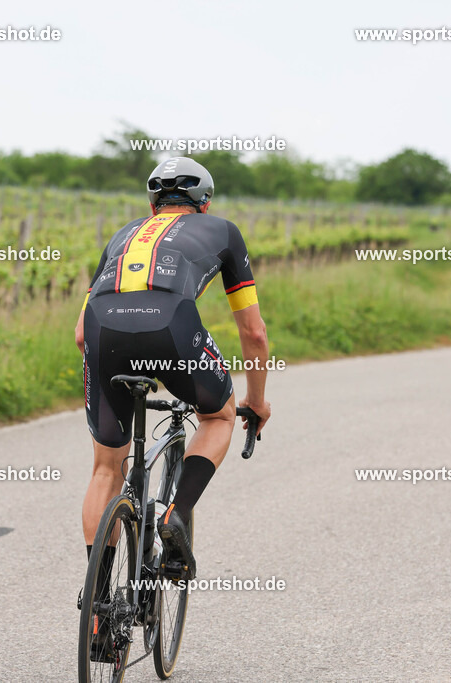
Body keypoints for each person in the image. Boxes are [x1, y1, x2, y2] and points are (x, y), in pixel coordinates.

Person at [75, 157, 272, 585]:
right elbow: (254, 332)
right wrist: (256, 401)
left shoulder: (123, 234)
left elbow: (79, 334)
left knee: (106, 469)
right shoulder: (223, 230)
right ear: (205, 204)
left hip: (101, 333)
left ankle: (99, 605)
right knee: (218, 417)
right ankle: (176, 513)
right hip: (172, 330)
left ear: (153, 206)